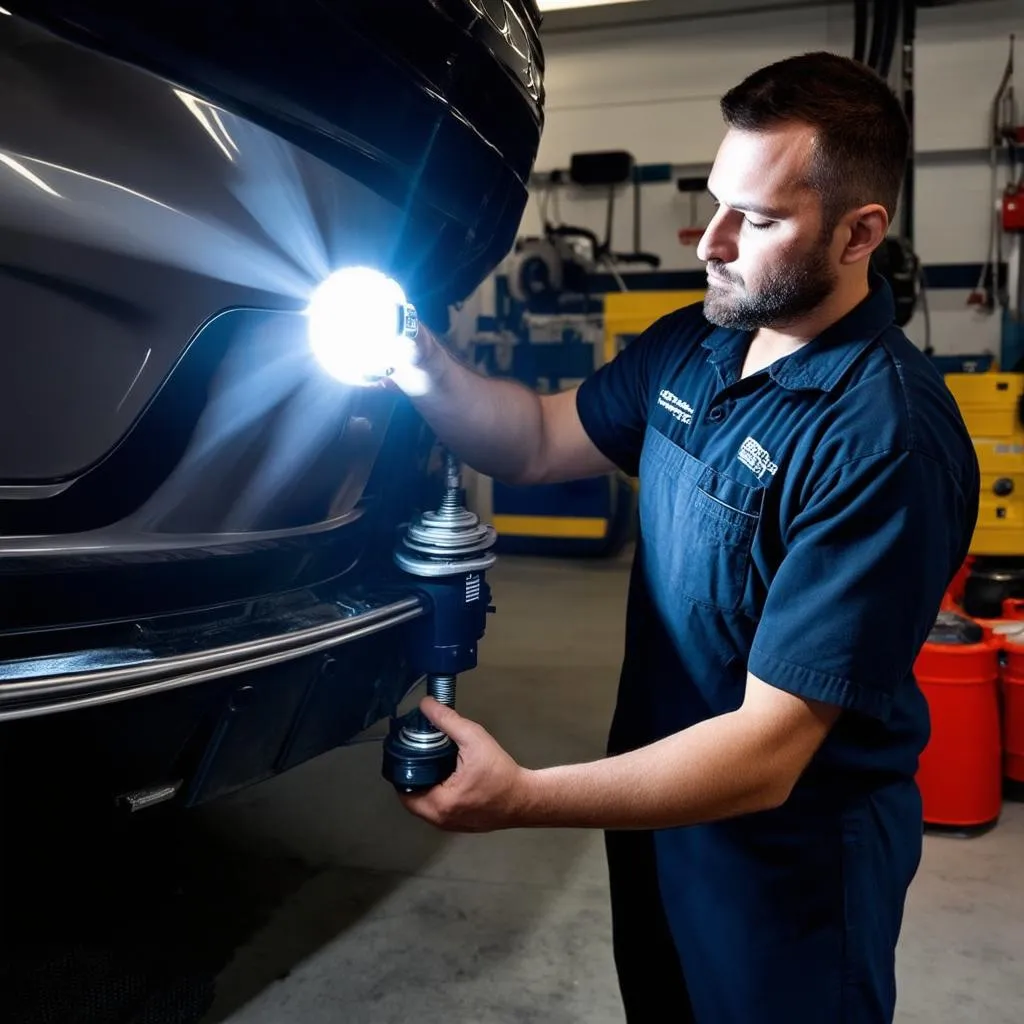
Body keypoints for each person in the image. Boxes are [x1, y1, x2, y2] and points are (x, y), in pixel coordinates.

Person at [386, 51, 980, 1023]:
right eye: (713, 202)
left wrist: (522, 796)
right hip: (658, 815)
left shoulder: (883, 440)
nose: (708, 241)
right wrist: (417, 362)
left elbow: (766, 752)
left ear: (857, 233)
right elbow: (534, 439)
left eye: (756, 217)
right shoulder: (694, 345)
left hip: (787, 865)